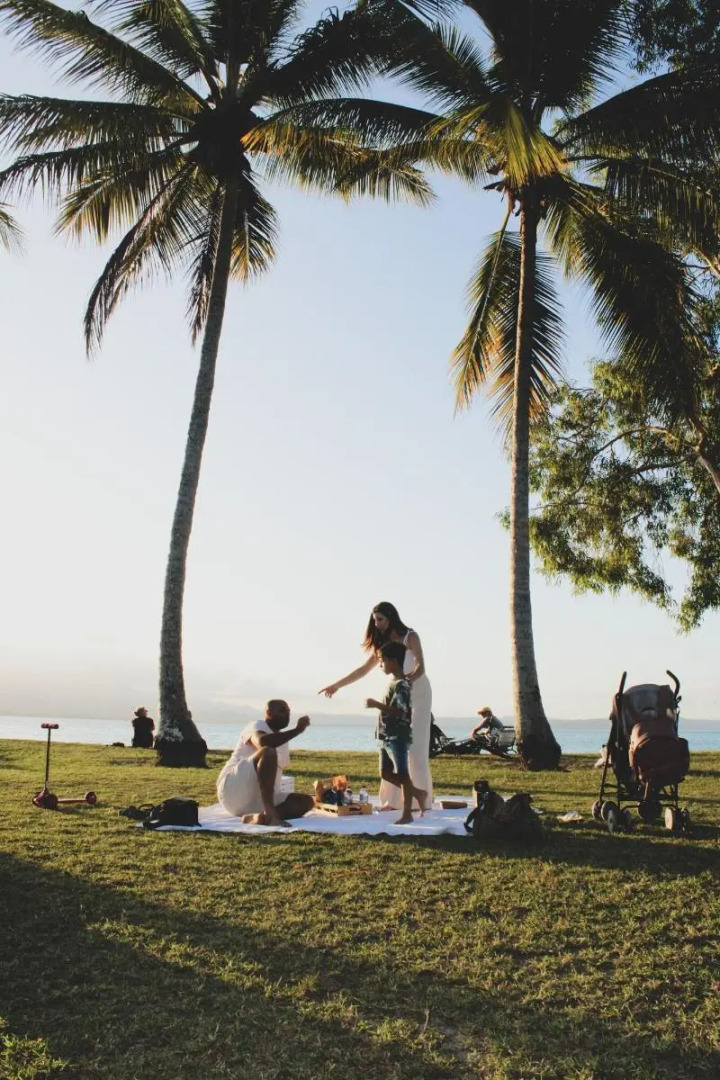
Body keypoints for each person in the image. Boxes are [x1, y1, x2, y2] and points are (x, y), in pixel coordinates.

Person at [319, 601, 433, 810]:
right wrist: (336, 685)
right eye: (375, 620)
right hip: (398, 692)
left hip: (418, 692)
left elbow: (420, 667)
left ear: (391, 618)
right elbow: (363, 670)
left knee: (415, 748)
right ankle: (393, 801)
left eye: (380, 619)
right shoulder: (382, 644)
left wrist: (406, 683)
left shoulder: (411, 636)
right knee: (394, 747)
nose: (377, 624)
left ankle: (418, 802)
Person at [216, 700, 315, 827]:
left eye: (289, 712)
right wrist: (297, 730)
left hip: (258, 801)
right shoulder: (256, 726)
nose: (287, 715)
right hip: (233, 791)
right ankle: (271, 813)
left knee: (306, 802)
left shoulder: (282, 739)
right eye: (282, 711)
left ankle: (260, 817)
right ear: (269, 712)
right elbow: (263, 742)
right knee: (268, 751)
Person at [365, 641, 427, 825]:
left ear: (392, 660)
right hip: (386, 735)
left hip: (397, 736)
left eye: (382, 661)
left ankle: (407, 813)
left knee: (403, 774)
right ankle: (418, 793)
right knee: (385, 773)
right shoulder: (393, 683)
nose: (381, 665)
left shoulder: (402, 685)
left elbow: (400, 712)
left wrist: (376, 704)